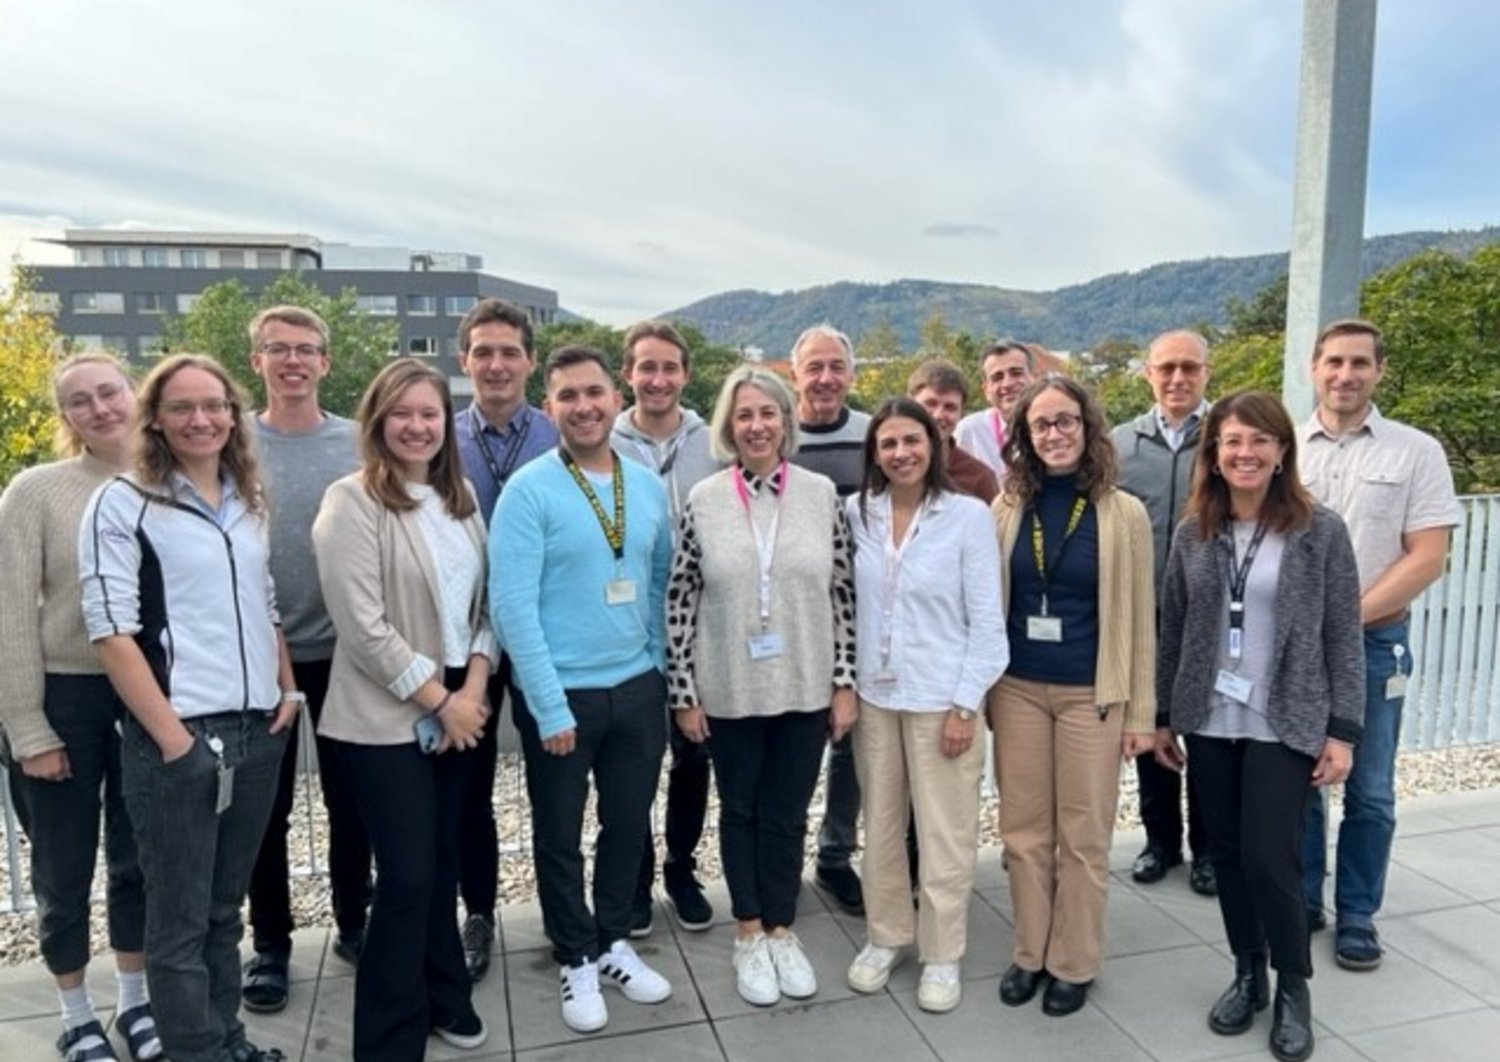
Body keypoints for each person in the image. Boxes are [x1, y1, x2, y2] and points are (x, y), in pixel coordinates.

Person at [79, 354, 299, 1062]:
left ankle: (227, 1041)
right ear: (156, 419)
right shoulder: (123, 500)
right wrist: (174, 742)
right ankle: (198, 1053)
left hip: (258, 729)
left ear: (233, 414)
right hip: (179, 736)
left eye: (214, 405)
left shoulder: (246, 496)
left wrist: (286, 688)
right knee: (176, 925)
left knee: (220, 911)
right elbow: (109, 630)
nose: (200, 419)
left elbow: (262, 604)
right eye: (182, 408)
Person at [1156, 390, 1363, 1062]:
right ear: (1214, 455)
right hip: (1211, 720)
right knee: (1225, 853)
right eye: (1232, 442)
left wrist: (1342, 731)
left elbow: (1342, 635)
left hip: (1287, 718)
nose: (1244, 453)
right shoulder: (1196, 532)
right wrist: (1162, 716)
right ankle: (1248, 972)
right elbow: (1175, 629)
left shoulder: (1320, 530)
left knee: (1271, 855)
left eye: (1259, 441)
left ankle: (1294, 985)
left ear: (1281, 452)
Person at [490, 345, 675, 1034]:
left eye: (594, 392)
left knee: (628, 824)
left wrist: (654, 665)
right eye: (567, 396)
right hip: (562, 693)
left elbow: (656, 581)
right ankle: (574, 954)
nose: (584, 406)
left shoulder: (646, 484)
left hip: (636, 688)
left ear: (615, 398)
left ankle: (613, 941)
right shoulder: (530, 490)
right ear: (550, 407)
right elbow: (513, 606)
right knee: (560, 834)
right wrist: (547, 702)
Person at [313, 359, 493, 1059]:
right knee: (408, 873)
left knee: (442, 861)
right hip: (384, 715)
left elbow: (484, 608)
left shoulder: (461, 499)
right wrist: (442, 701)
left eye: (430, 414)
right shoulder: (351, 502)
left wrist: (474, 688)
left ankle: (445, 994)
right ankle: (387, 1038)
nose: (417, 427)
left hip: (458, 701)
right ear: (377, 421)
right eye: (402, 413)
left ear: (446, 425)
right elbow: (362, 627)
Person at [666, 366, 856, 1008]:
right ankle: (747, 932)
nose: (756, 426)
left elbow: (844, 595)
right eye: (744, 415)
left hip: (805, 683)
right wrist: (685, 691)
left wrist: (844, 683)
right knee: (740, 810)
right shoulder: (705, 498)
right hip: (730, 686)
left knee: (786, 814)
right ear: (728, 426)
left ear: (786, 422)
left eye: (768, 414)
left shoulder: (822, 493)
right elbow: (681, 598)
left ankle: (782, 927)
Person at [0, 354, 159, 1062]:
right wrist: (28, 727)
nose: (99, 408)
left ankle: (133, 1002)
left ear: (134, 391)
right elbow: (7, 614)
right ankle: (74, 1011)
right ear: (66, 418)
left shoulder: (174, 480)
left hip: (149, 697)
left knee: (139, 860)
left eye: (109, 391)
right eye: (79, 401)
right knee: (63, 872)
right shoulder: (37, 492)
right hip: (65, 695)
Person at [989, 374, 1156, 1017]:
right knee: (1024, 832)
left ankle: (1075, 960)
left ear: (1087, 429)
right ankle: (1030, 951)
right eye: (1041, 425)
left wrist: (1141, 714)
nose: (1054, 434)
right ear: (1025, 437)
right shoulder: (1007, 508)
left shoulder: (1124, 512)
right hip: (1019, 689)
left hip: (1095, 694)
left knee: (1084, 834)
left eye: (1065, 422)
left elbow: (1142, 621)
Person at [1297, 319, 1460, 970]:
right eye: (1334, 361)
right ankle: (1305, 897)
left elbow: (1428, 557)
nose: (1345, 374)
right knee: (1300, 780)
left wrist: (1347, 618)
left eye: (1359, 363)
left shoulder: (1415, 451)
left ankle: (1359, 914)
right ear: (1314, 368)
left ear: (1379, 371)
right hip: (1296, 648)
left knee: (1369, 788)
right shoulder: (1287, 449)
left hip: (1375, 642)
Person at [843, 398, 1007, 1014]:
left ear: (934, 446)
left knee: (945, 831)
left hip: (944, 698)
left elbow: (988, 623)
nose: (901, 453)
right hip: (876, 696)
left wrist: (967, 705)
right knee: (882, 824)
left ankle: (942, 953)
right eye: (888, 444)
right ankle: (887, 935)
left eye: (912, 440)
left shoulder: (966, 516)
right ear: (874, 454)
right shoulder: (857, 513)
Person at [242, 306, 371, 1015]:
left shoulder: (357, 441)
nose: (292, 361)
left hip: (348, 649)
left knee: (353, 800)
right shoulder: (231, 441)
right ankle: (271, 944)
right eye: (277, 349)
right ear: (256, 360)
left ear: (326, 361)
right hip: (260, 654)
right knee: (268, 809)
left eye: (306, 350)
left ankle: (356, 921)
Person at [450, 297, 558, 981]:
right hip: (463, 638)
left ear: (529, 360)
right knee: (468, 784)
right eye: (483, 352)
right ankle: (479, 911)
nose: (496, 364)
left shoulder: (560, 435)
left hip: (548, 632)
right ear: (464, 361)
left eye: (508, 351)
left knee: (557, 776)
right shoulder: (435, 436)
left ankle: (563, 909)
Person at [611, 320, 721, 936]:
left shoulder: (714, 442)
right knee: (632, 758)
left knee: (693, 754)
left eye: (669, 368)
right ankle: (636, 874)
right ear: (629, 373)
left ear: (685, 374)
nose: (658, 379)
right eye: (646, 367)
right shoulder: (608, 438)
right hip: (628, 619)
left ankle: (681, 867)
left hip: (701, 622)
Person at [1112, 329, 1215, 895]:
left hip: (1209, 615)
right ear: (1148, 374)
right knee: (1150, 726)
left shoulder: (1227, 437)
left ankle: (1208, 850)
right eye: (1166, 368)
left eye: (1189, 368)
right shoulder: (1121, 444)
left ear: (1206, 372)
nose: (1177, 379)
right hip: (1143, 613)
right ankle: (1159, 841)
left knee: (1204, 730)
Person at [786, 323, 867, 915]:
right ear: (796, 375)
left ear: (852, 375)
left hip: (858, 620)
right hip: (786, 624)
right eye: (814, 367)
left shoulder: (874, 437)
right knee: (789, 749)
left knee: (850, 749)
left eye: (836, 366)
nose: (825, 378)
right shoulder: (771, 434)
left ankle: (835, 856)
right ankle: (779, 860)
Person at [907, 357, 1000, 503]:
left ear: (961, 414)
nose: (938, 415)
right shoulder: (888, 467)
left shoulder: (979, 479)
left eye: (950, 407)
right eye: (930, 404)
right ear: (909, 405)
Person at [954, 340, 1035, 481]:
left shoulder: (1053, 427)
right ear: (986, 390)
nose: (1007, 384)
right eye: (997, 377)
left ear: (1033, 378)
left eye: (1016, 373)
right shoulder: (970, 432)